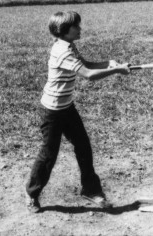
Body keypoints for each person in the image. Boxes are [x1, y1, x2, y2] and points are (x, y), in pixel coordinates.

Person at [25, 11, 131, 213]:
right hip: (52, 111)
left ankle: (91, 190)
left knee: (83, 146)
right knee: (49, 155)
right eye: (76, 26)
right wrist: (117, 70)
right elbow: (89, 75)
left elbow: (87, 65)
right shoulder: (62, 51)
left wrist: (109, 63)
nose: (80, 29)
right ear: (64, 31)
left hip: (67, 107)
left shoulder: (69, 45)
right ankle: (32, 194)